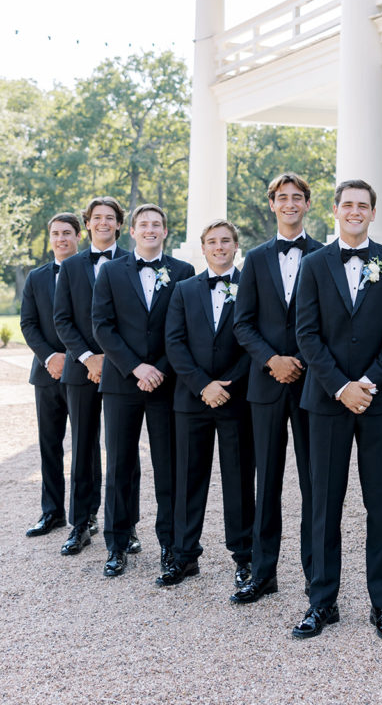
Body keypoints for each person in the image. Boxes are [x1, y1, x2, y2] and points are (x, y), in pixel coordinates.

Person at [293, 180, 382, 642]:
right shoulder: (313, 264)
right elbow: (306, 333)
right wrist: (341, 386)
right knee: (324, 504)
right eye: (348, 205)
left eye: (363, 205)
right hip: (327, 401)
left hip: (381, 401)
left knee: (381, 503)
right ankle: (322, 602)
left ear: (373, 212)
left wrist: (369, 382)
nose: (355, 211)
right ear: (336, 210)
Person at [232, 173, 321, 604]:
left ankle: (315, 577)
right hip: (265, 386)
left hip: (313, 386)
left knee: (314, 483)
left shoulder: (325, 255)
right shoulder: (254, 258)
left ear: (308, 204)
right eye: (281, 198)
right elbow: (242, 323)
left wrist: (303, 362)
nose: (289, 204)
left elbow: (332, 323)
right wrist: (273, 360)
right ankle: (262, 573)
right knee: (265, 482)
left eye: (296, 198)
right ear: (272, 205)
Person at [92, 203, 194, 578]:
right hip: (122, 382)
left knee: (169, 468)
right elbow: (102, 326)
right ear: (131, 231)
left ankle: (171, 545)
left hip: (167, 385)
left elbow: (185, 329)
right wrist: (136, 367)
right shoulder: (110, 271)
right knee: (119, 465)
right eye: (143, 224)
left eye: (157, 224)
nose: (150, 229)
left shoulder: (183, 272)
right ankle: (117, 545)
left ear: (165, 231)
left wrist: (160, 369)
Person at [161, 220, 254, 590]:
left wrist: (227, 383)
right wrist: (203, 385)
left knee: (239, 479)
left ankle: (244, 557)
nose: (219, 247)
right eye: (212, 242)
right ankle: (184, 556)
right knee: (188, 478)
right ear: (203, 248)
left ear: (236, 246)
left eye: (226, 241)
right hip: (192, 398)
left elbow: (254, 339)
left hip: (236, 397)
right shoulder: (184, 290)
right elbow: (174, 342)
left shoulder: (252, 285)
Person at [54, 196, 131, 558]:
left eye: (110, 217)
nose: (103, 223)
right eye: (96, 217)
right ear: (88, 224)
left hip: (123, 372)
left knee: (123, 452)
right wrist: (88, 358)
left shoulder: (135, 262)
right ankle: (81, 523)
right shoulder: (71, 267)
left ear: (119, 223)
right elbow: (63, 320)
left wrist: (115, 360)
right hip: (81, 369)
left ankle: (126, 525)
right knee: (83, 448)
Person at [20, 213, 81, 538]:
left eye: (67, 233)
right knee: (49, 445)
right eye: (56, 233)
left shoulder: (90, 272)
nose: (61, 239)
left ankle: (85, 515)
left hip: (83, 373)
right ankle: (52, 512)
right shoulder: (36, 277)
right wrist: (49, 357)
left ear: (77, 237)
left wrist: (71, 358)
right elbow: (28, 323)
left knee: (86, 446)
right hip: (46, 374)